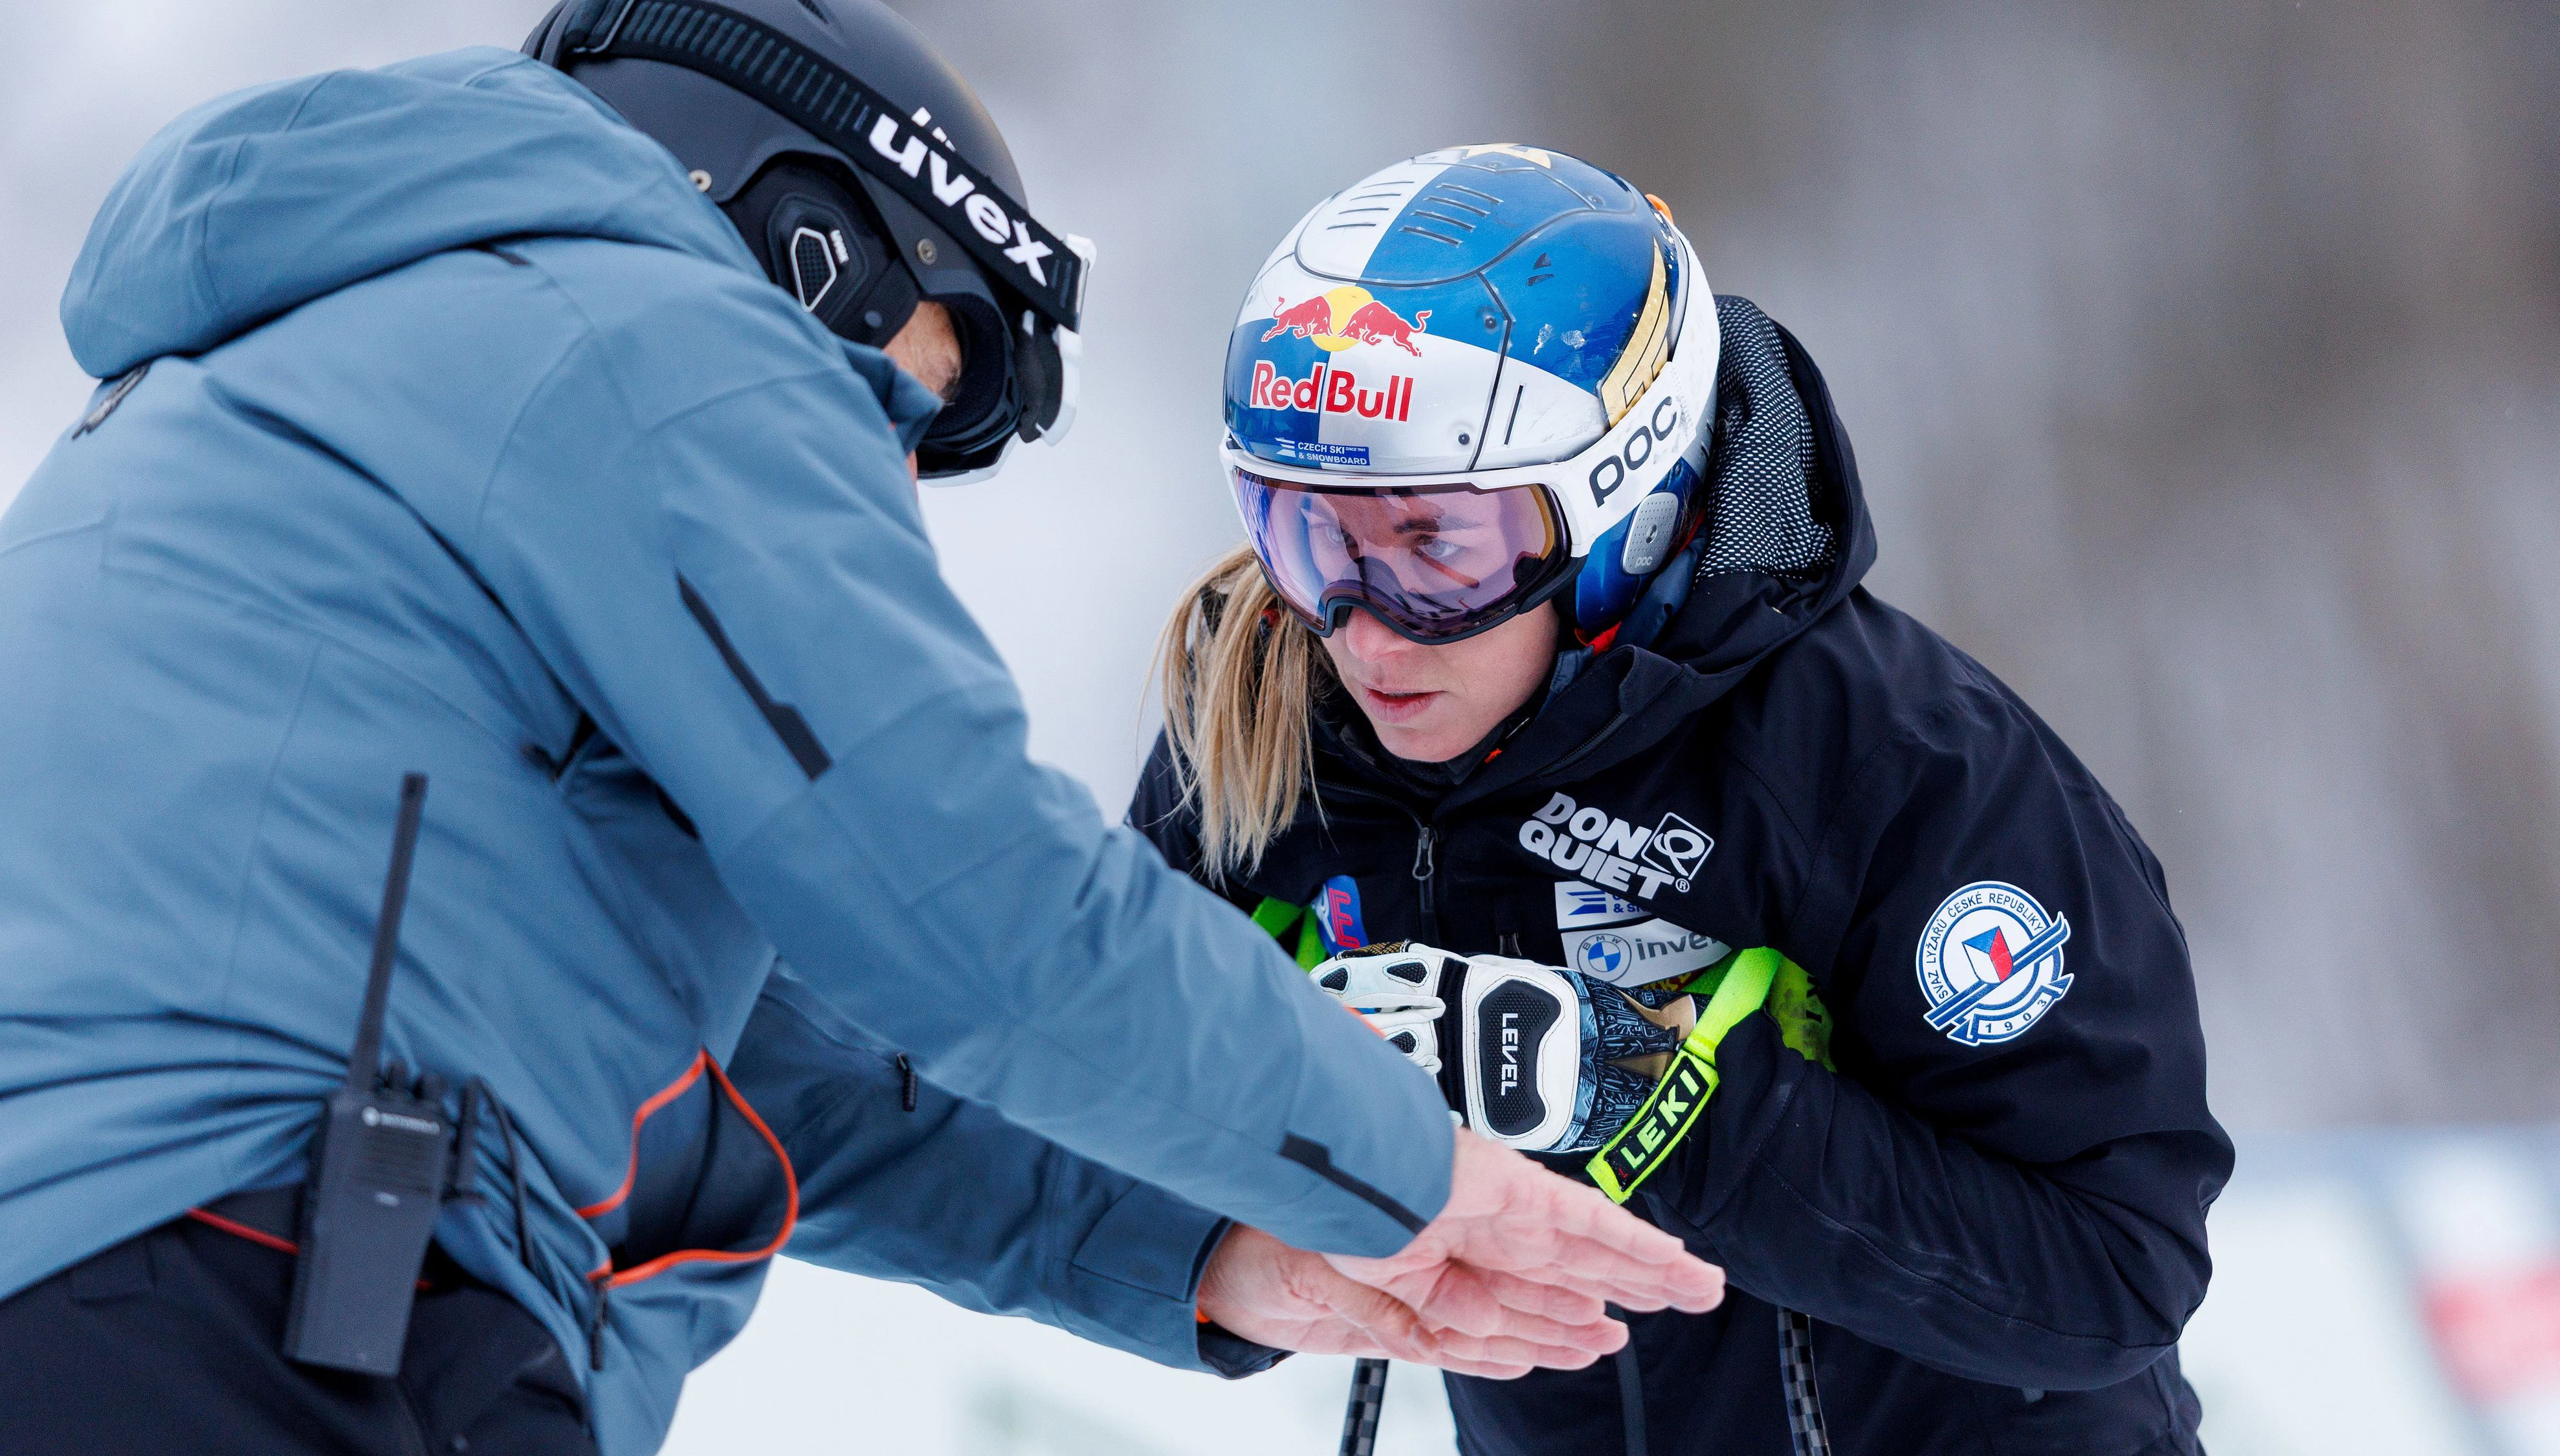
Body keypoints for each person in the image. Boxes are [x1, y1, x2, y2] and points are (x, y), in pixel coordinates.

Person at [0, 9, 1726, 1453]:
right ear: (803, 235)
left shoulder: (264, 393)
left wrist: (1203, 1242)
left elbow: (758, 1073)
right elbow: (961, 891)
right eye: (915, 387)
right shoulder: (655, 329)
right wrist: (1406, 1167)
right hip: (267, 1296)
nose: (893, 475)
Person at [1131, 145, 2235, 1455]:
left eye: (1436, 548)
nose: (1365, 638)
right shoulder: (1264, 723)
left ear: (1622, 509)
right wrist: (1272, 1133)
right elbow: (1075, 1105)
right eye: (1303, 535)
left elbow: (2110, 1283)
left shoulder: (1894, 767)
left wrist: (1633, 1090)